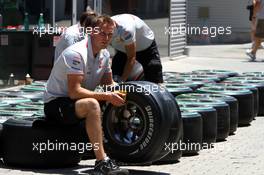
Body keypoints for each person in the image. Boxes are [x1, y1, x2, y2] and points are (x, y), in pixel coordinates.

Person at [43, 15, 129, 175]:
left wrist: (123, 91)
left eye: (110, 34)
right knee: (93, 104)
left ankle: (118, 149)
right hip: (57, 103)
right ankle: (101, 162)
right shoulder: (76, 53)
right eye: (102, 33)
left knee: (116, 97)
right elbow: (74, 92)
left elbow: (108, 85)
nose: (106, 38)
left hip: (77, 102)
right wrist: (108, 96)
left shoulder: (104, 55)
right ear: (91, 32)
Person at [110, 14, 163, 83]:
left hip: (145, 45)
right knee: (116, 69)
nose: (106, 38)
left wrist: (122, 81)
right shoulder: (99, 28)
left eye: (109, 35)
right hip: (123, 46)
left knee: (153, 67)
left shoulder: (126, 30)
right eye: (104, 34)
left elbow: (131, 58)